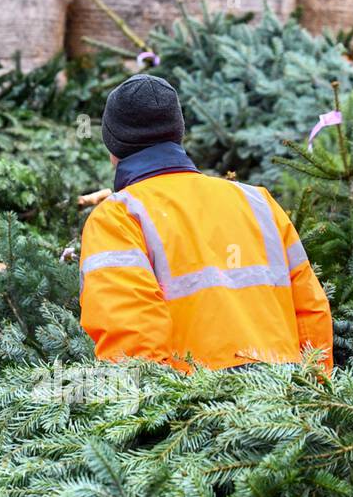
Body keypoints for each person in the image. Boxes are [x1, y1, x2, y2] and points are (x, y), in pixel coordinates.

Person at [78, 73, 333, 374]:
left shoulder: (118, 217)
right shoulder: (257, 201)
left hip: (195, 408)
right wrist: (316, 394)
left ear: (113, 147)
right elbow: (311, 311)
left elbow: (132, 341)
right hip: (286, 399)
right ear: (178, 133)